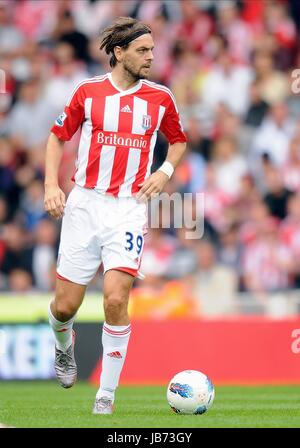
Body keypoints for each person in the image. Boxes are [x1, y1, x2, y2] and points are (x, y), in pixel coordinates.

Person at [44, 17, 187, 415]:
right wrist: (51, 187)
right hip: (85, 204)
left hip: (127, 208)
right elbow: (57, 138)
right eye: (143, 50)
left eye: (153, 50)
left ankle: (105, 396)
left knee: (115, 299)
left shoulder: (160, 99)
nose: (151, 57)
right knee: (66, 307)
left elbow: (178, 141)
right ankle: (63, 345)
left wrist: (163, 172)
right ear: (119, 53)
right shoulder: (88, 93)